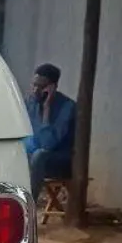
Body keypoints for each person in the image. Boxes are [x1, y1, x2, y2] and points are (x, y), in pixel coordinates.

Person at [24, 62, 76, 198]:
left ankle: (29, 206)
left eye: (41, 87)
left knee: (39, 155)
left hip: (60, 160)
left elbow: (47, 144)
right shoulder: (31, 103)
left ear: (52, 87)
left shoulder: (67, 108)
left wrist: (47, 109)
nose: (35, 90)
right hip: (34, 156)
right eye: (34, 85)